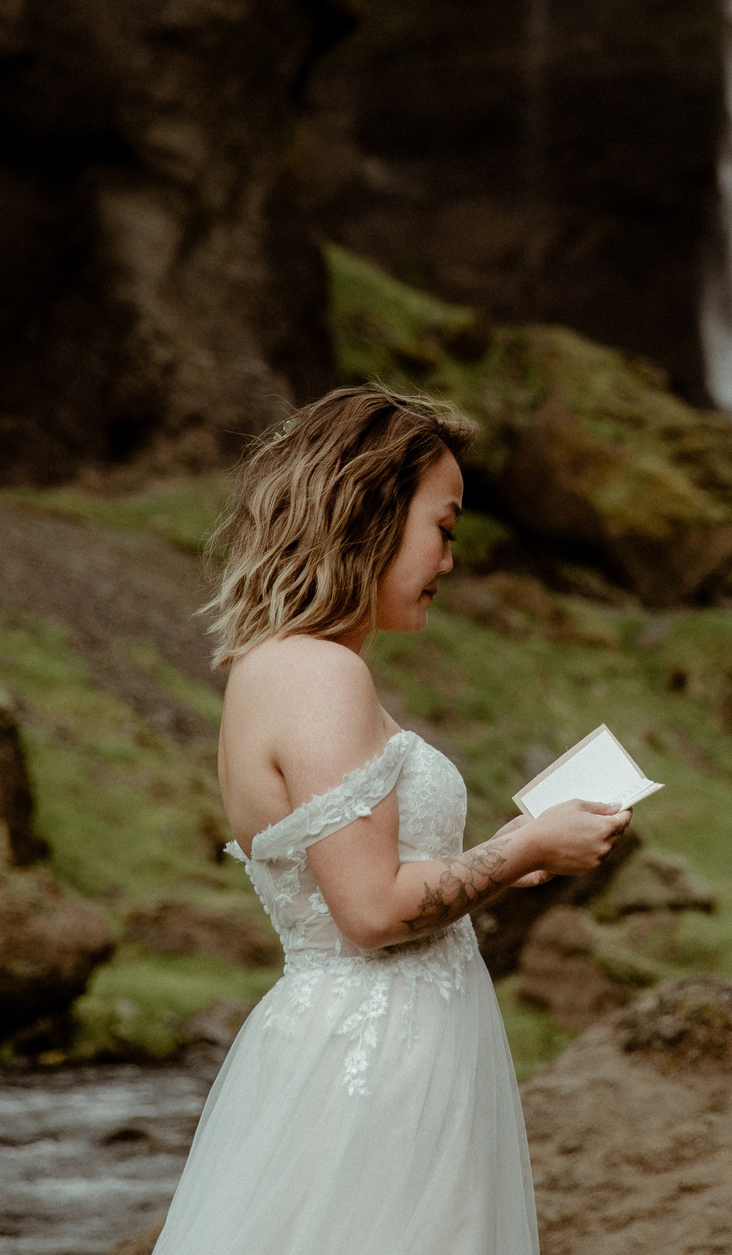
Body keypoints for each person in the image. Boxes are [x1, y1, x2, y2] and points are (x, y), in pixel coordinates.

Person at [153, 386, 630, 1255]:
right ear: (373, 511)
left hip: (375, 1050)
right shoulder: (320, 675)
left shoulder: (284, 666)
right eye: (443, 527)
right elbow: (370, 912)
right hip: (373, 1072)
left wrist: (506, 862)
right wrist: (523, 840)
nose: (450, 558)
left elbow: (364, 880)